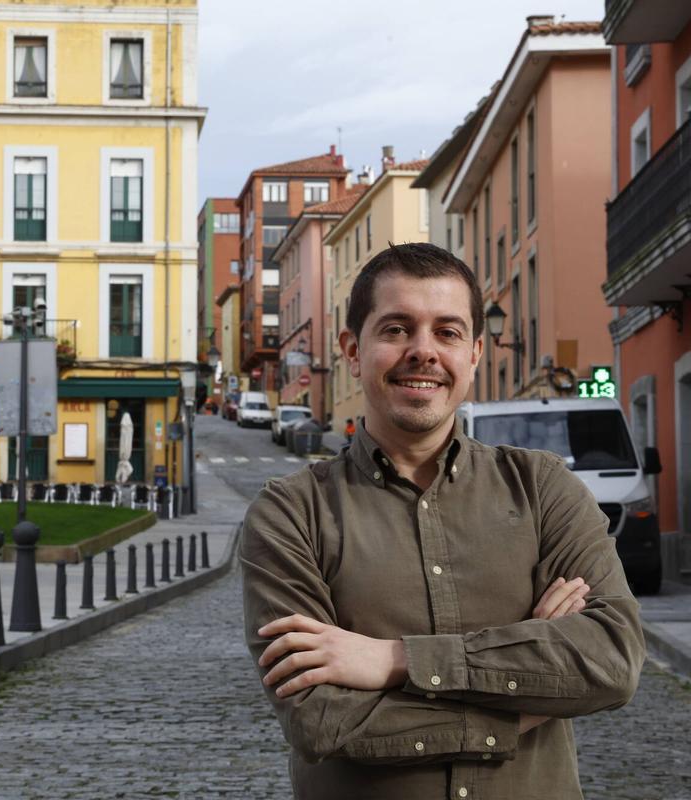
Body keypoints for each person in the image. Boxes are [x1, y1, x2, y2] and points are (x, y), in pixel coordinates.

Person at [241, 243, 643, 799]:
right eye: (397, 329)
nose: (423, 352)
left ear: (474, 354)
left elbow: (611, 659)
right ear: (353, 351)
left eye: (447, 332)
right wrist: (529, 686)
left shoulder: (543, 489)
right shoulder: (291, 513)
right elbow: (321, 720)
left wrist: (394, 660)